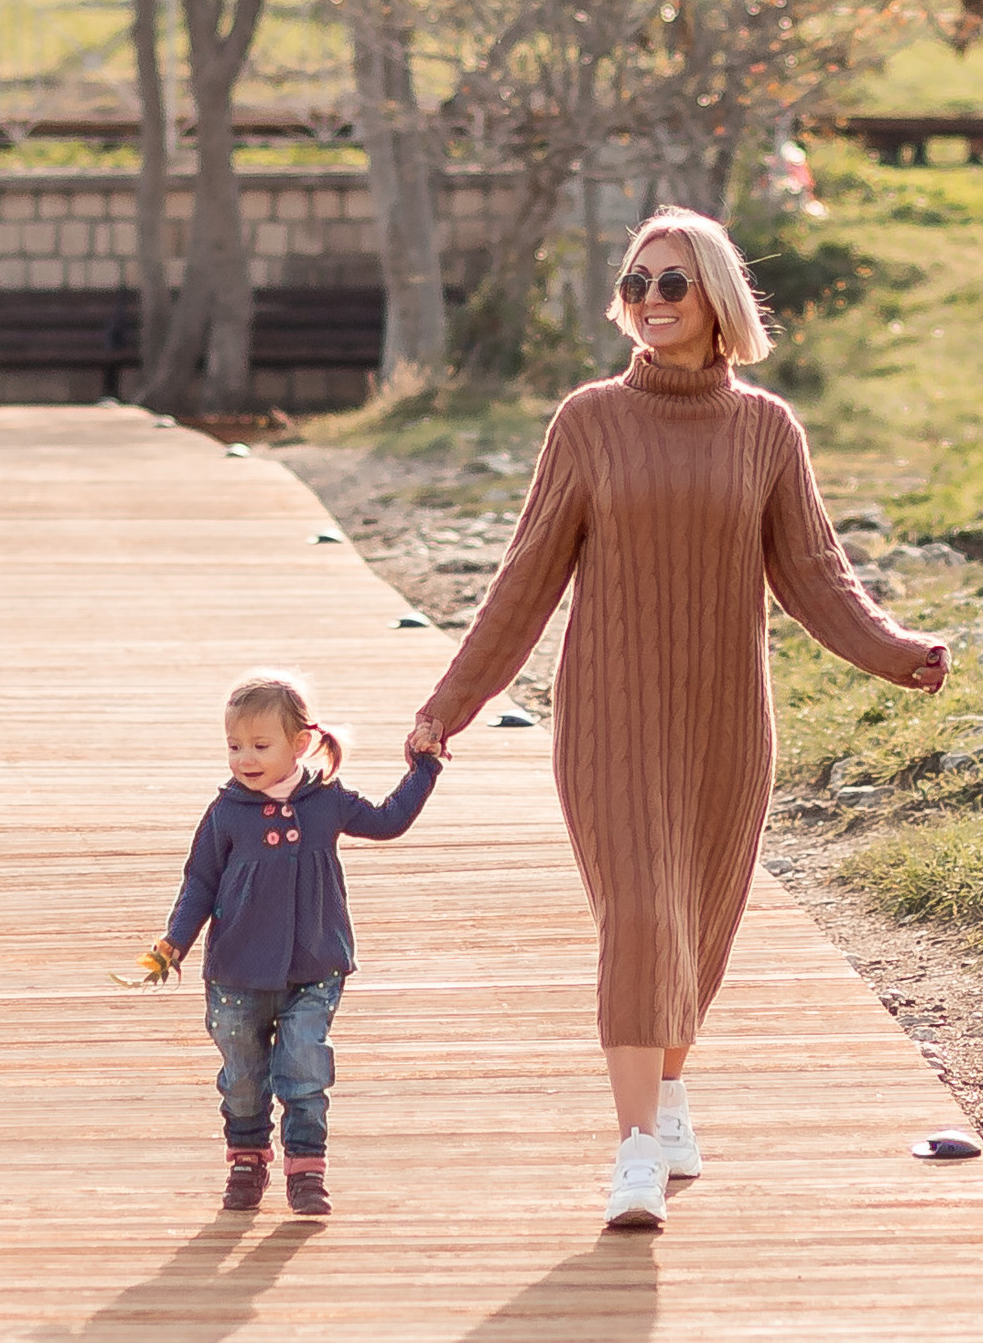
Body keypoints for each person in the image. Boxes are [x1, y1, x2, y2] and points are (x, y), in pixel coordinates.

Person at [405, 205, 949, 1230]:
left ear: (715, 299)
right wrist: (449, 704)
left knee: (696, 926)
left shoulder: (767, 430)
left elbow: (815, 575)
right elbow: (525, 581)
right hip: (610, 718)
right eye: (634, 284)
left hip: (723, 723)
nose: (648, 301)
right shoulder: (588, 422)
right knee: (643, 920)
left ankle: (667, 1089)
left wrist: (896, 651)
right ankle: (635, 1149)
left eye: (669, 283)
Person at [125, 671, 442, 1217]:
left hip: (315, 964)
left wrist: (423, 769)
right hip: (237, 970)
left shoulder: (327, 801)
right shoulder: (227, 812)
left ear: (298, 744)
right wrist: (175, 941)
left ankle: (306, 1167)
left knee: (304, 1066)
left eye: (259, 745)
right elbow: (200, 881)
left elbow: (388, 821)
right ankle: (247, 1158)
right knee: (244, 1077)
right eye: (234, 746)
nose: (244, 758)